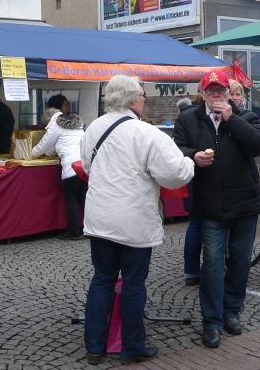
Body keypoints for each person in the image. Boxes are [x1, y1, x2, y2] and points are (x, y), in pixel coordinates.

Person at [81, 75, 194, 365]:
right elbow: (174, 174)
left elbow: (88, 165)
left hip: (100, 217)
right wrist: (191, 163)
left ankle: (94, 346)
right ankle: (132, 346)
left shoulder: (93, 127)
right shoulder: (145, 132)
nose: (144, 99)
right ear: (133, 100)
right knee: (133, 283)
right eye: (143, 95)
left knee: (102, 279)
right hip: (133, 219)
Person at [174, 70, 260, 349]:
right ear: (203, 94)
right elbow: (176, 149)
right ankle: (211, 322)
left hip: (245, 203)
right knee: (213, 264)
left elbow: (258, 145)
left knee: (239, 261)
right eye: (211, 91)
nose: (217, 96)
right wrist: (193, 156)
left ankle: (232, 312)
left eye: (221, 91)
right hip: (209, 204)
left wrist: (231, 119)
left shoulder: (244, 116)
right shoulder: (188, 118)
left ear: (229, 93)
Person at [32, 109, 86, 240]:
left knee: (71, 200)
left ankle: (73, 232)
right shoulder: (75, 125)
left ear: (48, 120)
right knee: (84, 200)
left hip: (70, 168)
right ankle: (93, 229)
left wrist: (31, 153)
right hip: (83, 166)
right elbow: (53, 148)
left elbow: (43, 146)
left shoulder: (55, 125)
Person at [175, 98, 201, 286]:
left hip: (193, 179)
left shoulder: (183, 119)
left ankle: (191, 271)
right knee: (199, 226)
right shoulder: (194, 118)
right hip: (201, 179)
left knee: (195, 225)